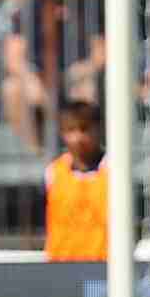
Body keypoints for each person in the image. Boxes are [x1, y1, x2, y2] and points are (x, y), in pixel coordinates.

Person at [44, 100, 107, 261]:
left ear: (98, 129)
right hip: (62, 270)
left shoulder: (115, 172)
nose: (78, 137)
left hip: (101, 269)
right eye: (71, 130)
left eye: (84, 129)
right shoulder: (53, 172)